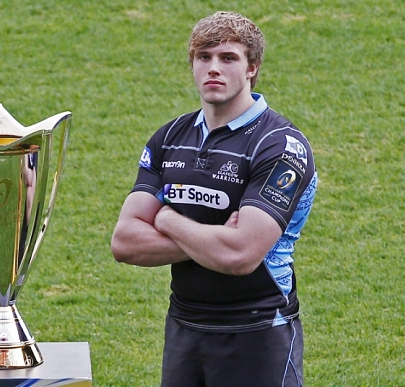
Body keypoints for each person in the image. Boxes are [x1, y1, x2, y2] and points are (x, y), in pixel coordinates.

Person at [111, 11, 317, 387]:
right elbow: (124, 242)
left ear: (252, 67)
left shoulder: (280, 146)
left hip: (257, 332)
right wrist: (215, 239)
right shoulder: (170, 137)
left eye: (228, 58)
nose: (213, 69)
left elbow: (239, 256)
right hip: (184, 329)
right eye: (203, 57)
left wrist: (168, 220)